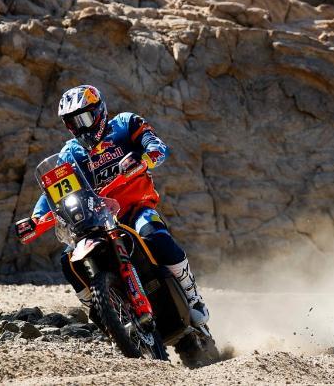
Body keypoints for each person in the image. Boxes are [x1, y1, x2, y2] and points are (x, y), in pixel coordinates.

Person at [29, 84, 209, 326]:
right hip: (97, 221)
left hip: (137, 208)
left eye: (84, 118)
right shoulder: (69, 155)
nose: (80, 127)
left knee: (155, 236)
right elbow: (52, 193)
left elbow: (157, 146)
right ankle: (98, 310)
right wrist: (36, 218)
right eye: (72, 123)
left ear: (99, 111)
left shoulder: (126, 124)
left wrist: (146, 159)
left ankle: (193, 296)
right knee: (67, 261)